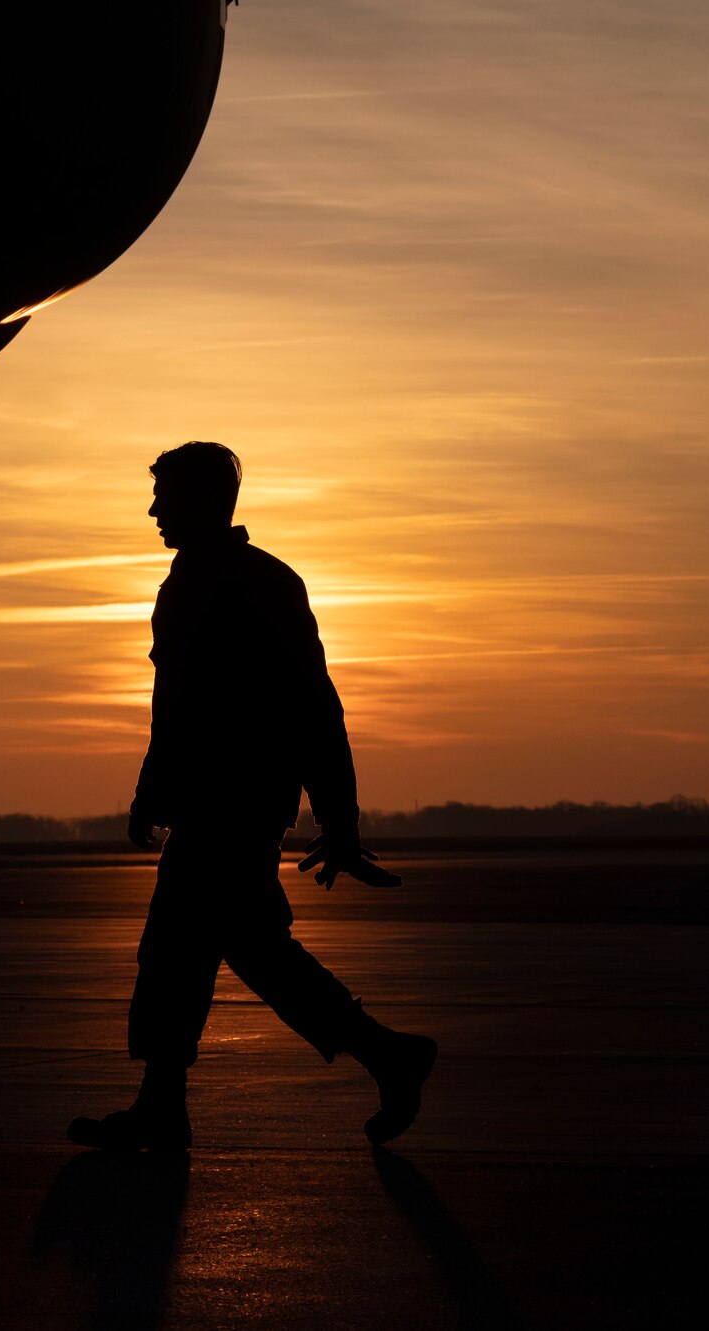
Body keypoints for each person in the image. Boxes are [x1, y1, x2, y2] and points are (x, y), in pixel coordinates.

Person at [68, 442, 436, 1152]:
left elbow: (313, 704)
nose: (152, 510)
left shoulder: (261, 583)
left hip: (236, 806)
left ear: (202, 501)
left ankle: (169, 1107)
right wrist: (153, 792)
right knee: (227, 947)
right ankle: (382, 1056)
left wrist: (339, 818)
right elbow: (171, 704)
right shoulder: (188, 583)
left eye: (164, 496)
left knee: (191, 947)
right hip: (210, 803)